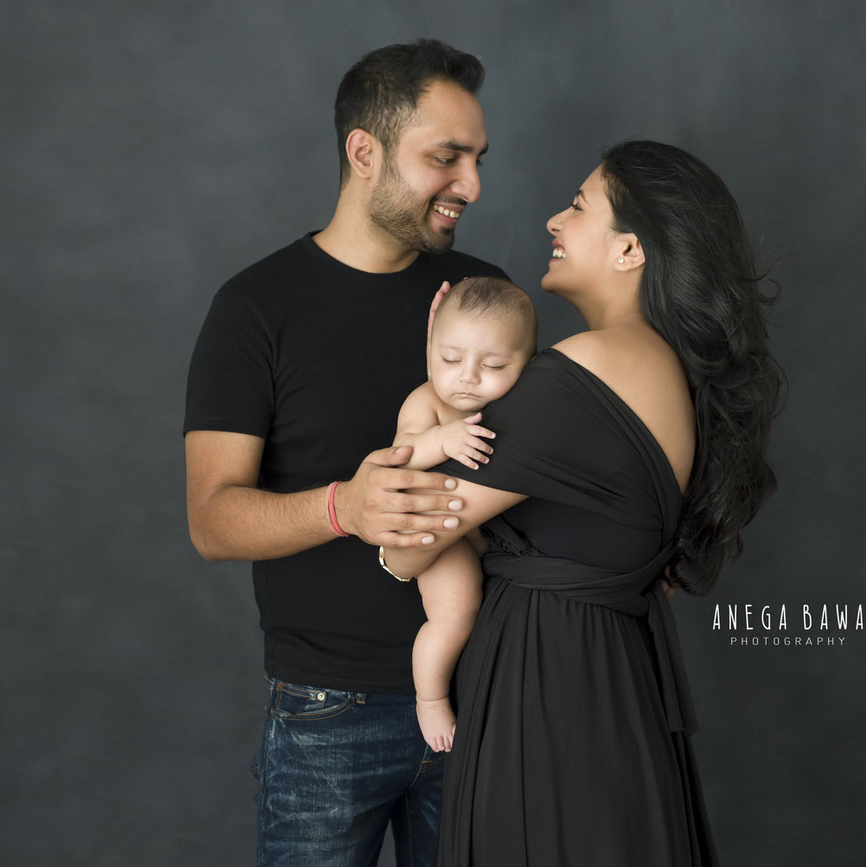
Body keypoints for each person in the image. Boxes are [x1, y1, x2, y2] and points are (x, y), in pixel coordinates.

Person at [381, 140, 786, 866]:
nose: (551, 219)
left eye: (577, 204)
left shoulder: (581, 376)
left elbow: (409, 544)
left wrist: (439, 371)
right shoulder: (661, 371)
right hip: (607, 694)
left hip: (550, 706)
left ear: (631, 249)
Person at [182, 39, 507, 867]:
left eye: (475, 159)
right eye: (446, 157)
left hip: (483, 698)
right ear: (364, 152)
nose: (470, 185)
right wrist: (344, 507)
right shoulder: (256, 307)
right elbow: (213, 518)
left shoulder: (483, 300)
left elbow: (533, 468)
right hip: (326, 717)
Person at [384, 276, 538, 752]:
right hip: (440, 538)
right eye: (450, 359)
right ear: (430, 348)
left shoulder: (517, 406)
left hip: (494, 538)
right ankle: (430, 699)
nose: (467, 376)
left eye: (493, 364)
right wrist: (439, 441)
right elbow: (398, 457)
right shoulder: (427, 400)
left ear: (528, 364)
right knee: (456, 612)